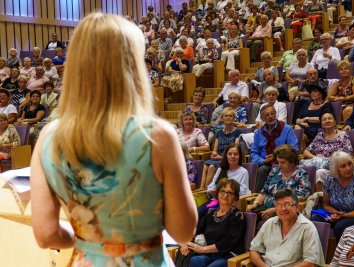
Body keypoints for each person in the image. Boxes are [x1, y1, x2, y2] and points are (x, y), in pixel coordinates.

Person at [30, 13, 197, 266]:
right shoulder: (157, 136)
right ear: (132, 67)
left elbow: (46, 235)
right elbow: (183, 232)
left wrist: (90, 245)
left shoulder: (47, 137)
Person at [249, 189, 325, 267]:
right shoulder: (269, 223)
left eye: (287, 204)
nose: (283, 209)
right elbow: (254, 250)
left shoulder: (307, 228)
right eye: (279, 205)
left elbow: (311, 263)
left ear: (297, 207)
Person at [180, 179, 246, 266]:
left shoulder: (238, 216)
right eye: (222, 191)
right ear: (217, 194)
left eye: (230, 193)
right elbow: (197, 230)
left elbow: (228, 242)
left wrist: (203, 249)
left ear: (235, 197)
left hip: (228, 255)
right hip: (210, 253)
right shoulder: (211, 214)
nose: (225, 195)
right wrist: (185, 243)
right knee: (195, 261)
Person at [311, 151, 354, 241]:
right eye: (343, 166)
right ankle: (318, 252)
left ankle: (341, 253)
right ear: (336, 168)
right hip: (334, 214)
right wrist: (335, 213)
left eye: (350, 164)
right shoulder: (330, 179)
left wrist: (343, 216)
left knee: (340, 226)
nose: (348, 168)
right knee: (315, 221)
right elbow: (326, 205)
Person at [246, 144, 311, 220]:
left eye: (283, 162)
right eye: (278, 162)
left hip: (286, 212)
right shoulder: (275, 171)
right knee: (246, 216)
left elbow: (298, 199)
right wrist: (255, 204)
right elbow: (264, 191)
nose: (279, 165)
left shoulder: (301, 175)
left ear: (292, 162)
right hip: (265, 209)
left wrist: (275, 210)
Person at [251, 104, 299, 192]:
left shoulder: (287, 129)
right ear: (262, 118)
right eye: (267, 115)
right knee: (262, 169)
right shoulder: (258, 133)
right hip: (266, 164)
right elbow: (254, 153)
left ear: (275, 114)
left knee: (274, 169)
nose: (270, 117)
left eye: (272, 113)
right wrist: (263, 161)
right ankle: (259, 198)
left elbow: (294, 149)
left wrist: (277, 157)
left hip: (284, 163)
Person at [301, 111, 353, 188]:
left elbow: (349, 155)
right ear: (321, 124)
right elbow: (306, 152)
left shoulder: (343, 136)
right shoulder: (319, 136)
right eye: (324, 119)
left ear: (335, 122)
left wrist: (330, 159)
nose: (327, 121)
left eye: (330, 118)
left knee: (320, 172)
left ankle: (320, 197)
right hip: (318, 164)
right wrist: (317, 158)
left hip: (336, 168)